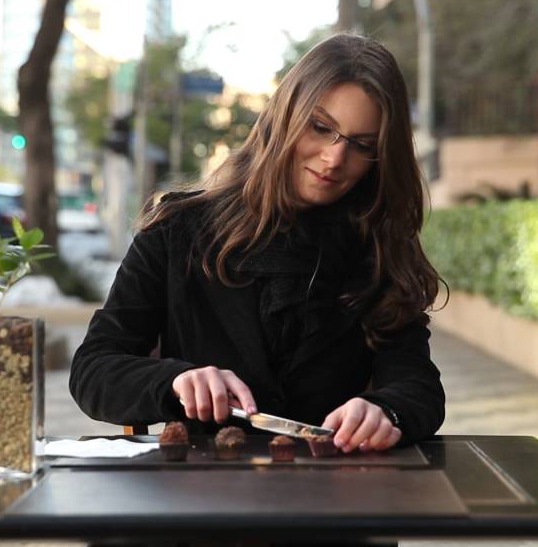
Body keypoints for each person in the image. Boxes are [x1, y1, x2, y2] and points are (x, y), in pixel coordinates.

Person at [69, 33, 444, 453]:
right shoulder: (177, 231)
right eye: (320, 128)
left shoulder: (377, 246)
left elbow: (419, 388)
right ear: (284, 117)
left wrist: (385, 411)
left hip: (335, 493)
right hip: (205, 498)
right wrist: (174, 380)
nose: (335, 158)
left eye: (362, 146)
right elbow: (93, 371)